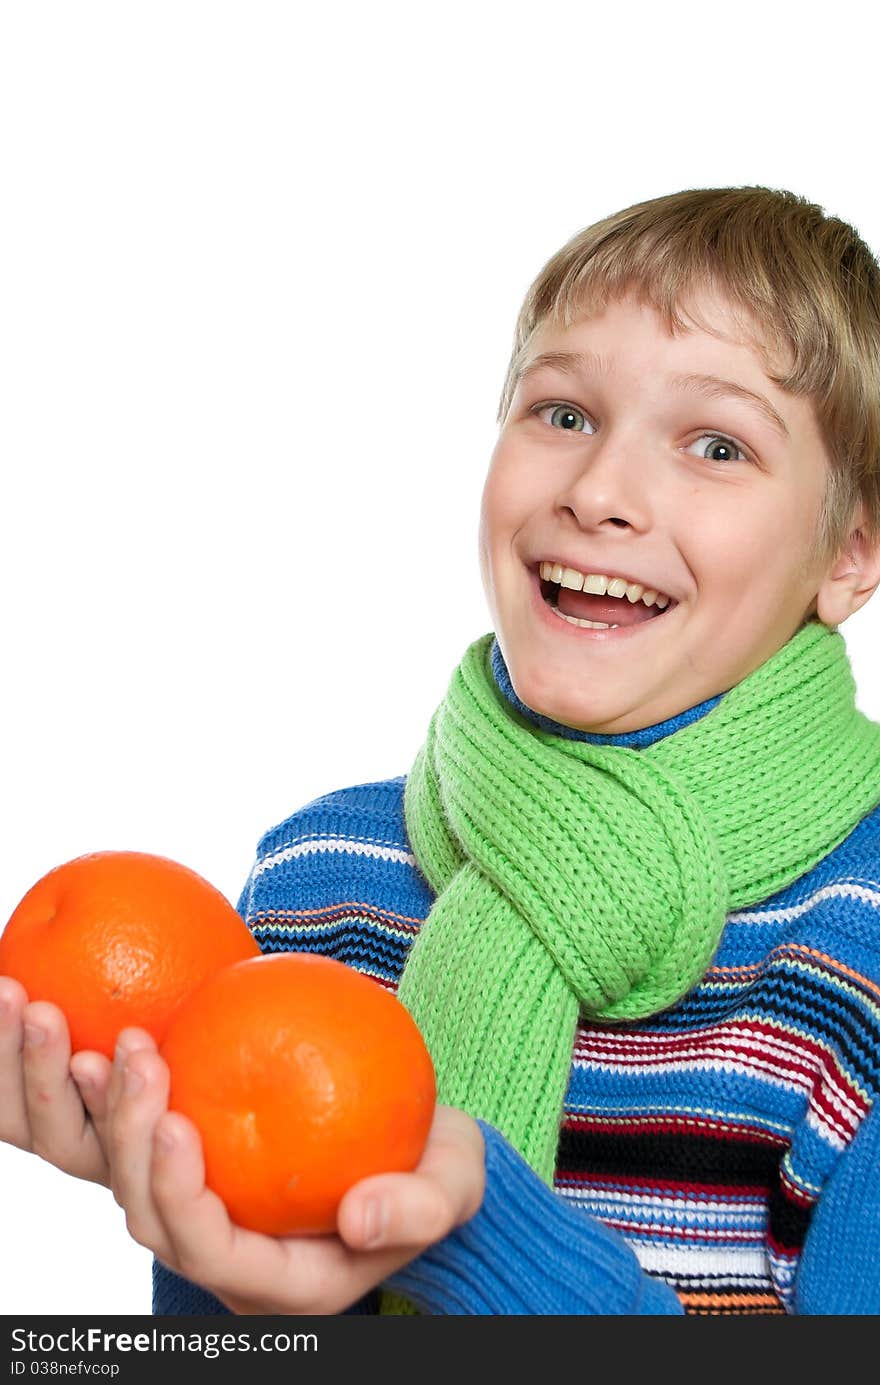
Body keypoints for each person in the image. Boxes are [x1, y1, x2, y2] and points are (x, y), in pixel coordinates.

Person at [3, 184, 880, 1316]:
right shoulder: (321, 878)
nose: (599, 491)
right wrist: (194, 1214)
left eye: (715, 444)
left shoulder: (857, 944)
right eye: (562, 414)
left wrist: (472, 1229)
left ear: (850, 554)